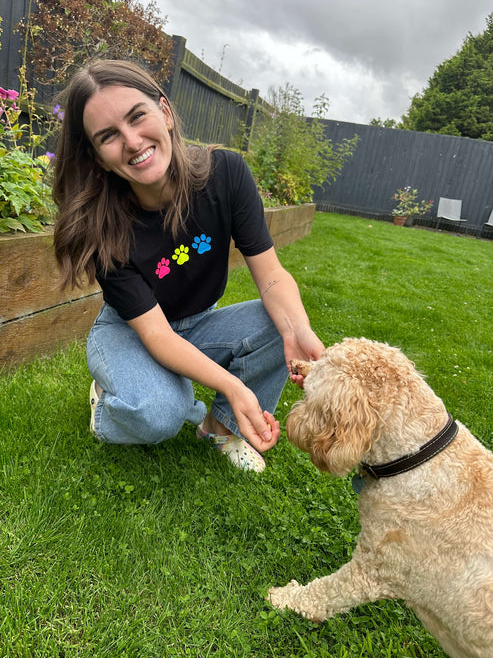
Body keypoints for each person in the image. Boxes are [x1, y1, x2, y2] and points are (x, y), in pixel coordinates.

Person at [52, 59, 325, 473]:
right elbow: (158, 335)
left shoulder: (226, 176)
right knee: (162, 412)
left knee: (278, 320)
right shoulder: (102, 230)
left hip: (197, 322)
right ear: (99, 158)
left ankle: (218, 428)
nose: (131, 141)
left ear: (165, 112)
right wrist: (233, 385)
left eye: (137, 116)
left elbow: (271, 276)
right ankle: (107, 407)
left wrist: (297, 330)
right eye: (109, 136)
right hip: (132, 332)